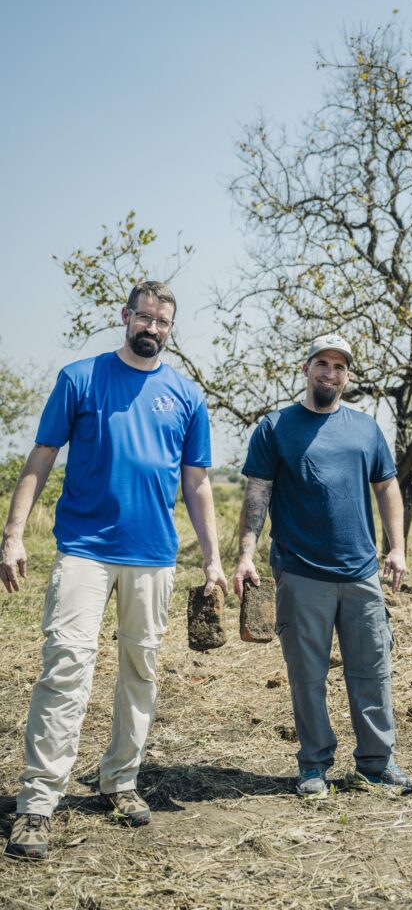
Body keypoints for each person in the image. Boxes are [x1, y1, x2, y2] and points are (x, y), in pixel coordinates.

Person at [1, 281, 228, 860]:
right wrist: (13, 534)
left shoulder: (186, 395)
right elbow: (42, 456)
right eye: (144, 317)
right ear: (126, 316)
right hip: (84, 549)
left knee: (140, 671)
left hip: (153, 556)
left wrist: (213, 559)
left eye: (162, 321)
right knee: (66, 667)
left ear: (171, 328)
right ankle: (38, 801)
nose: (152, 328)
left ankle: (120, 780)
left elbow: (197, 482)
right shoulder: (80, 378)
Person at [233, 333, 412, 800]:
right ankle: (314, 765)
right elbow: (258, 492)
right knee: (307, 677)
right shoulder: (275, 427)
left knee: (372, 671)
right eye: (322, 364)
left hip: (361, 574)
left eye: (339, 367)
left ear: (347, 376)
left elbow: (387, 487)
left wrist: (397, 548)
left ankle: (377, 764)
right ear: (306, 368)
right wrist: (246, 554)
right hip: (300, 572)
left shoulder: (365, 429)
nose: (330, 373)